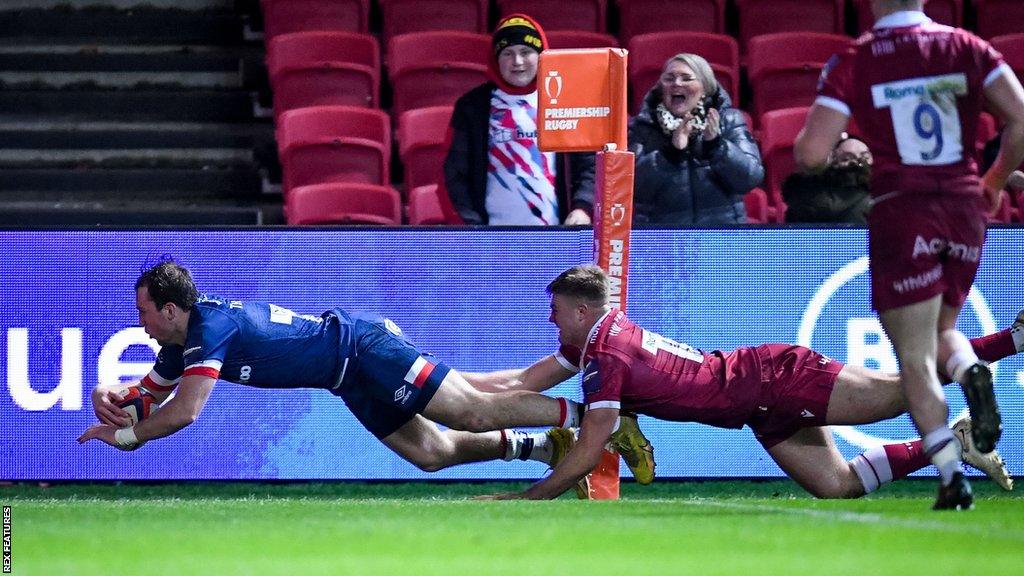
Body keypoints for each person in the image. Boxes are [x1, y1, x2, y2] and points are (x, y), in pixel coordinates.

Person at [77, 259, 653, 485]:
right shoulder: (181, 343)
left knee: (469, 407)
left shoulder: (209, 330)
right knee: (433, 451)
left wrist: (129, 436)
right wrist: (115, 397)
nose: (141, 322)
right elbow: (150, 395)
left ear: (171, 310)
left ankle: (602, 419)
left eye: (144, 312)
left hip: (360, 347)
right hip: (347, 376)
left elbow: (185, 410)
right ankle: (540, 447)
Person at [478, 265, 1020, 503]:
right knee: (836, 487)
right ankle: (951, 441)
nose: (550, 321)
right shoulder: (595, 342)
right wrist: (448, 384)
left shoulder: (605, 355)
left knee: (902, 389)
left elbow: (593, 444)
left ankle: (1012, 342)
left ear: (579, 309)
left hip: (777, 380)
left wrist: (533, 496)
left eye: (554, 312)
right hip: (760, 406)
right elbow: (524, 381)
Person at [793, 0, 1024, 509]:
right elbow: (1021, 117)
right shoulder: (968, 46)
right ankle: (967, 369)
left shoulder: (856, 58)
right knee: (942, 332)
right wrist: (993, 179)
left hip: (904, 208)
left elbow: (810, 154)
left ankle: (950, 476)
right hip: (965, 207)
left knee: (915, 358)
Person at [441, 14, 595, 225]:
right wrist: (470, 227)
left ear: (542, 56)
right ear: (496, 59)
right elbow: (452, 175)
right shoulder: (472, 107)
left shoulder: (565, 101)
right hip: (490, 242)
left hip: (558, 237)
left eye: (526, 52)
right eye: (508, 53)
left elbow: (590, 166)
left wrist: (583, 207)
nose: (517, 62)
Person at [628, 53, 764, 225]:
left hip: (721, 235)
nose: (676, 83)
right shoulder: (644, 125)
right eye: (669, 78)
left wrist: (716, 146)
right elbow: (631, 187)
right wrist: (669, 155)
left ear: (704, 87)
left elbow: (750, 178)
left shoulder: (729, 119)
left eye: (686, 79)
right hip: (662, 238)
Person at [783, 134, 872, 223]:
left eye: (865, 157)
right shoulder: (810, 194)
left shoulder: (878, 191)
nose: (857, 163)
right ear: (833, 162)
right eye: (846, 158)